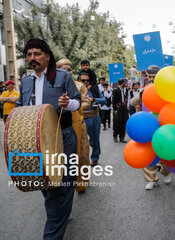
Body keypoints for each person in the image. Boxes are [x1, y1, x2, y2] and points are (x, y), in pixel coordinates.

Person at [16, 38, 81, 239]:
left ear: (47, 56)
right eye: (29, 55)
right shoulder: (26, 80)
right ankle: (61, 211)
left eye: (36, 54)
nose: (32, 58)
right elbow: (20, 106)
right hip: (34, 142)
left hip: (61, 137)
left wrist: (67, 102)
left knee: (61, 186)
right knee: (42, 181)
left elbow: (77, 102)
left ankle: (52, 233)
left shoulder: (62, 77)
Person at [56, 58, 91, 193]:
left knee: (82, 154)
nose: (67, 72)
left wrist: (72, 104)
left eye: (69, 69)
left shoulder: (79, 86)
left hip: (78, 124)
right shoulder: (53, 85)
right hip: (59, 126)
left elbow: (86, 102)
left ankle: (81, 182)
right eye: (64, 70)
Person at [80, 72, 106, 166]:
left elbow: (104, 100)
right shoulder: (75, 90)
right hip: (81, 118)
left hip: (94, 117)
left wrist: (94, 99)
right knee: (82, 141)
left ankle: (95, 157)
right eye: (83, 80)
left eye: (88, 80)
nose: (86, 82)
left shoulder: (94, 89)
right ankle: (82, 160)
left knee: (94, 140)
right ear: (79, 81)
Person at [112, 79, 129, 143]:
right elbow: (113, 100)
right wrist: (115, 109)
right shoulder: (116, 90)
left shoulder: (124, 90)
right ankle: (115, 136)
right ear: (122, 83)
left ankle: (122, 137)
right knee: (117, 123)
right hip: (118, 108)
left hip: (123, 108)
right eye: (124, 82)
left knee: (123, 123)